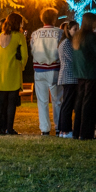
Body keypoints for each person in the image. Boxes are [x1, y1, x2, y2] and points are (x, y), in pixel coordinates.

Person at [70, 13, 96, 140]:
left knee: (80, 102)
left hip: (80, 73)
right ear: (92, 22)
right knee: (89, 104)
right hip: (92, 73)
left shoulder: (77, 36)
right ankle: (86, 133)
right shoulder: (92, 37)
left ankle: (77, 131)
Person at [28, 8, 64, 136]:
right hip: (55, 68)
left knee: (42, 101)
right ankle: (59, 127)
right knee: (57, 100)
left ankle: (45, 129)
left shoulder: (35, 34)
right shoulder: (60, 33)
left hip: (39, 69)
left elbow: (32, 49)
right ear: (54, 19)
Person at [0, 14, 28, 135]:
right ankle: (9, 128)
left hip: (0, 73)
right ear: (17, 23)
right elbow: (25, 56)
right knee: (11, 102)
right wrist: (21, 67)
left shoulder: (0, 36)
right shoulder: (19, 36)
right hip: (13, 72)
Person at [55, 21, 78, 138]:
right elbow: (74, 58)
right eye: (75, 29)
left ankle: (62, 129)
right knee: (68, 104)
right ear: (68, 30)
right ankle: (66, 129)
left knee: (66, 104)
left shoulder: (65, 42)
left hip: (68, 76)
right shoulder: (67, 43)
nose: (77, 32)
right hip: (69, 76)